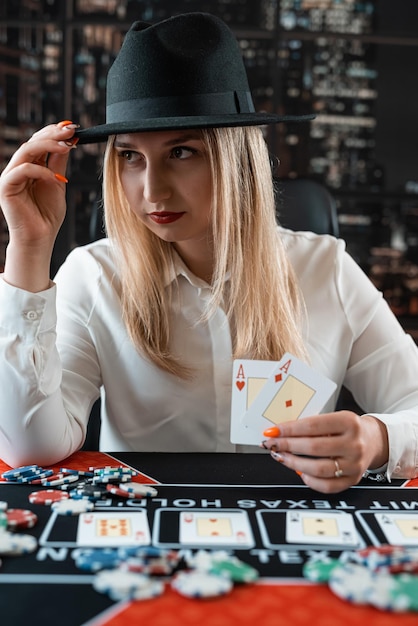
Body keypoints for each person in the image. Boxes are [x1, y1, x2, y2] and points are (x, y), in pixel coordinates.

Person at [0, 12, 417, 495]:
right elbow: (29, 449)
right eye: (131, 156)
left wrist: (377, 437)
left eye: (182, 152)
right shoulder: (94, 276)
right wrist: (29, 249)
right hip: (147, 537)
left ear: (236, 157)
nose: (152, 191)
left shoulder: (328, 270)